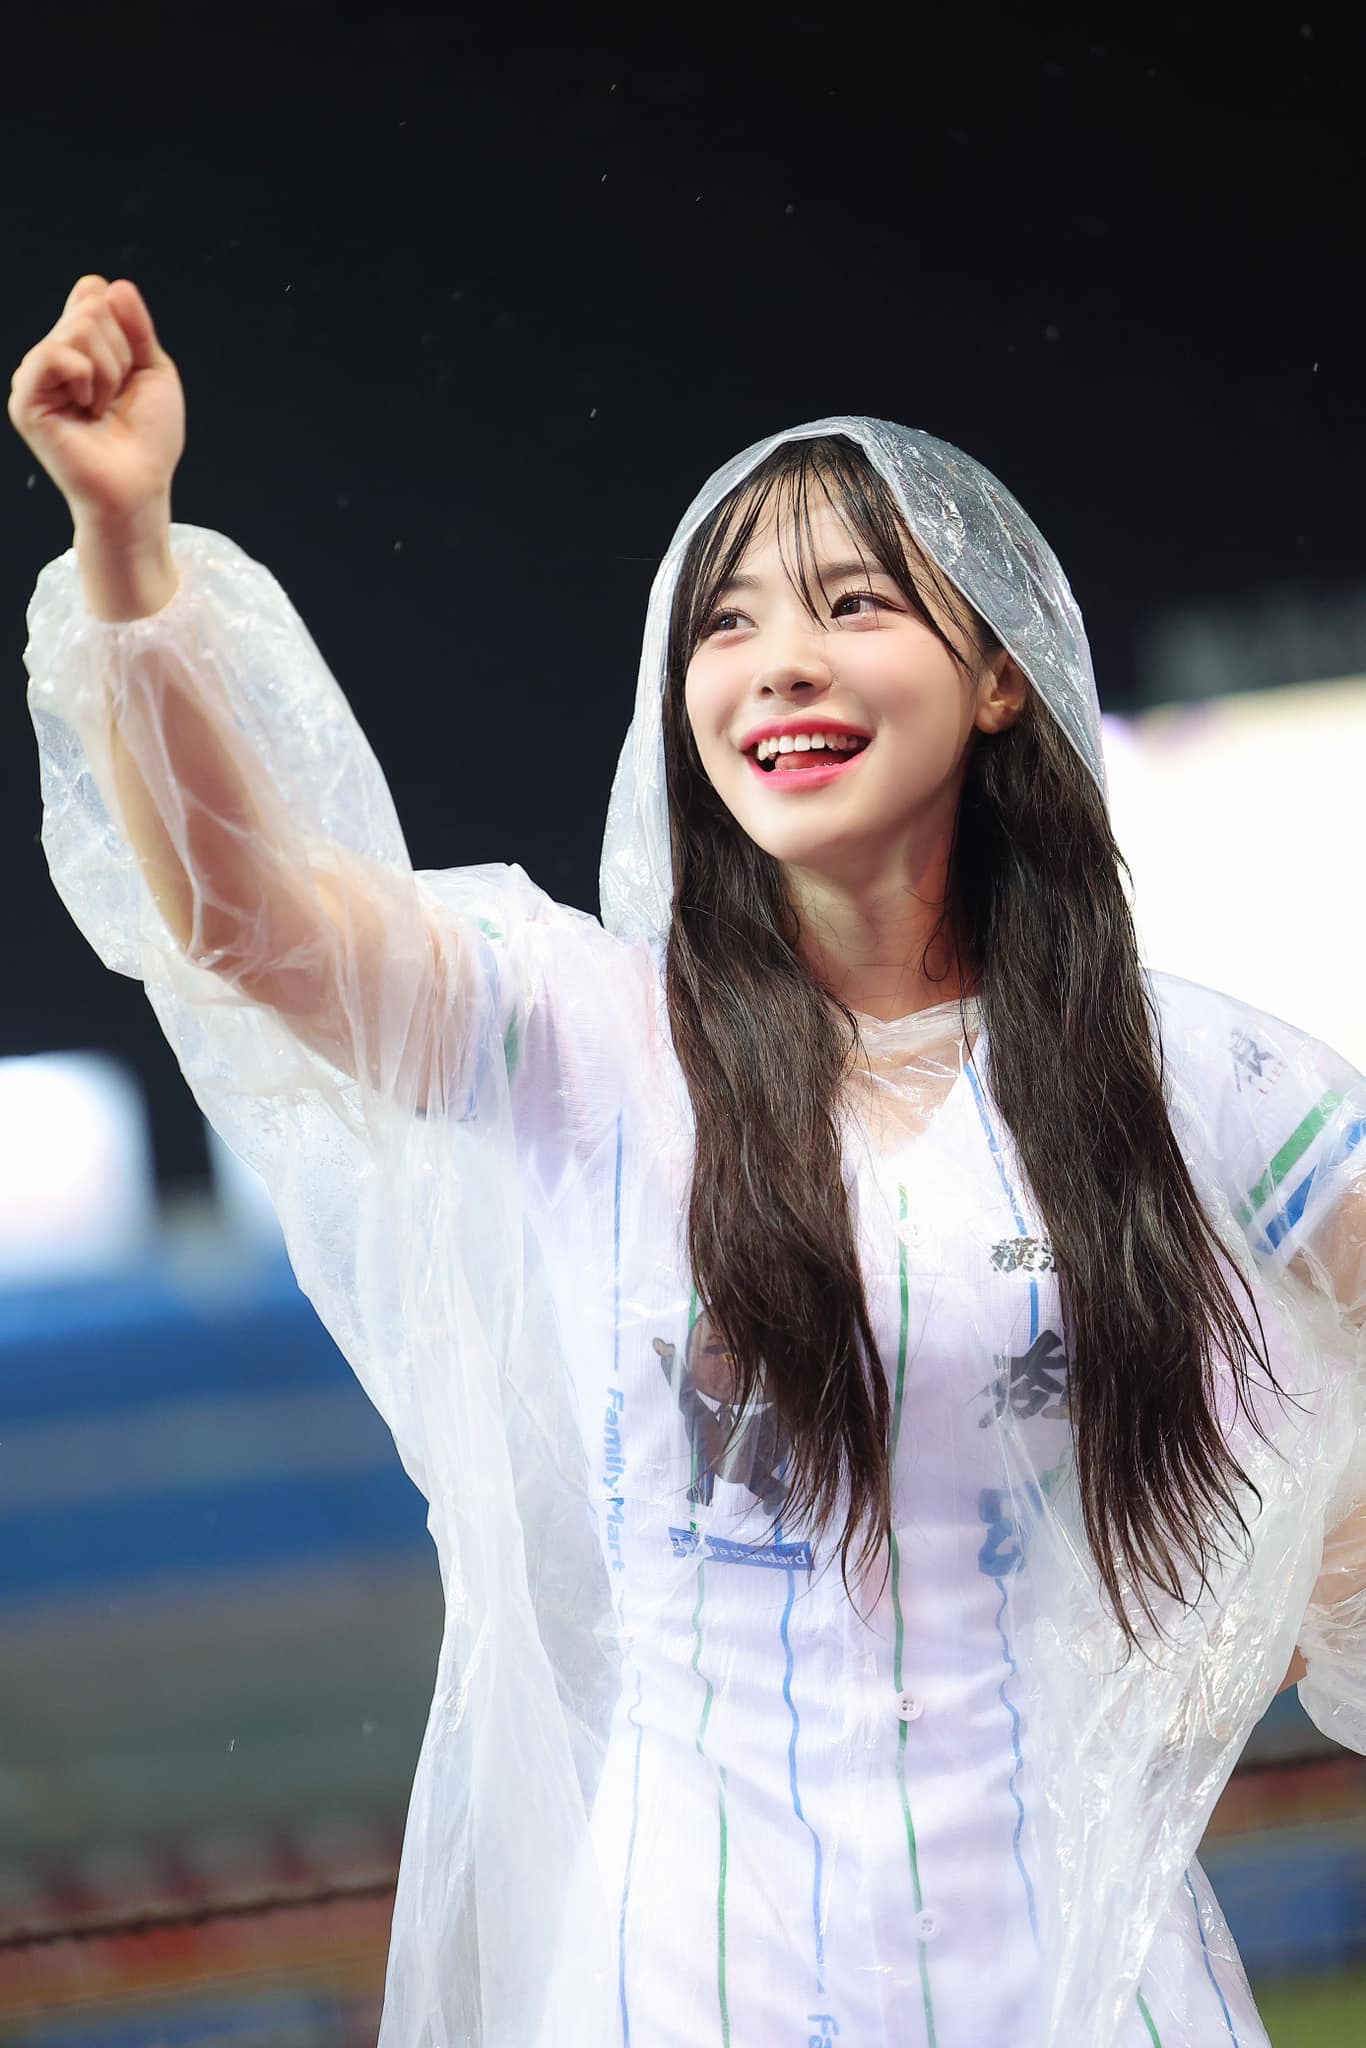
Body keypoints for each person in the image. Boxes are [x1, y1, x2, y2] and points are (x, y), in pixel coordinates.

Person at [10, 275, 1366, 2048]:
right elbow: (244, 924)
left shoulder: (1194, 1078)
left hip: (1095, 1990)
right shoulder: (581, 1038)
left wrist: (1317, 1560)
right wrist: (126, 543)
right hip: (691, 1992)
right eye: (724, 625)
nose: (779, 661)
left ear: (999, 679)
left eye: (853, 604)